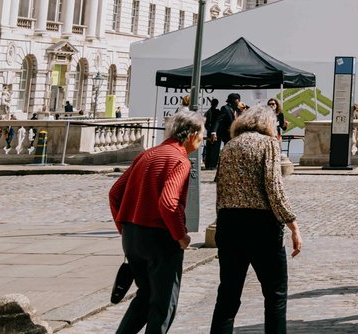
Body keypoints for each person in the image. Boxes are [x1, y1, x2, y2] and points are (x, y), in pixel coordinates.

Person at [108, 109, 204, 334]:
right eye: (202, 133)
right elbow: (168, 203)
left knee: (145, 296)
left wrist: (124, 227)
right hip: (160, 238)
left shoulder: (148, 154)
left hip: (132, 238)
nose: (203, 139)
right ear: (191, 134)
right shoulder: (180, 160)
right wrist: (180, 235)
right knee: (163, 304)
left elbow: (115, 193)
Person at [209, 106, 302, 334]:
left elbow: (221, 189)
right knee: (275, 294)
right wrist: (293, 225)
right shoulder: (268, 144)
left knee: (228, 295)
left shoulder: (230, 146)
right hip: (261, 225)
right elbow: (274, 188)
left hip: (229, 223)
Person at [203, 99, 223, 170]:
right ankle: (212, 165)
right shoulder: (218, 112)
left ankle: (207, 164)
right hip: (216, 133)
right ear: (216, 104)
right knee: (215, 149)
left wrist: (208, 129)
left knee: (209, 149)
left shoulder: (207, 112)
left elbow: (205, 123)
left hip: (209, 132)